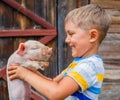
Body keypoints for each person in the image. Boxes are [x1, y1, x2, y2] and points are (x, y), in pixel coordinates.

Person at [8, 4, 111, 100]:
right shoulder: (78, 64)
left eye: (71, 34)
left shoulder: (89, 66)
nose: (67, 39)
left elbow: (56, 93)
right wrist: (32, 72)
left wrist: (25, 75)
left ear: (92, 36)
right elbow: (53, 83)